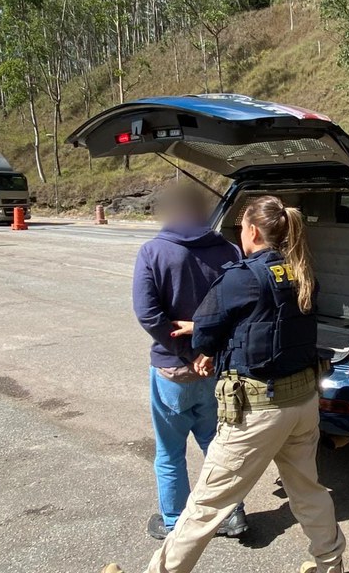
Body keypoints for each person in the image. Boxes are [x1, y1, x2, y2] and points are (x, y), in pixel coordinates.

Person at [104, 195, 345, 573]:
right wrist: (206, 326)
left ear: (251, 229)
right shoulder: (301, 271)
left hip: (260, 410)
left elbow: (205, 340)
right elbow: (268, 319)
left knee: (205, 506)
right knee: (308, 491)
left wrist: (199, 330)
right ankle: (331, 566)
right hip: (303, 402)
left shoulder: (241, 276)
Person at [132, 182, 248, 541]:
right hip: (217, 368)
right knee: (217, 445)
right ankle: (231, 515)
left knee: (169, 453)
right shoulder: (229, 250)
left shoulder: (153, 252)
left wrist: (188, 352)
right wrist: (209, 352)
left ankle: (174, 522)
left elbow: (148, 314)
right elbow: (242, 308)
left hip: (172, 369)